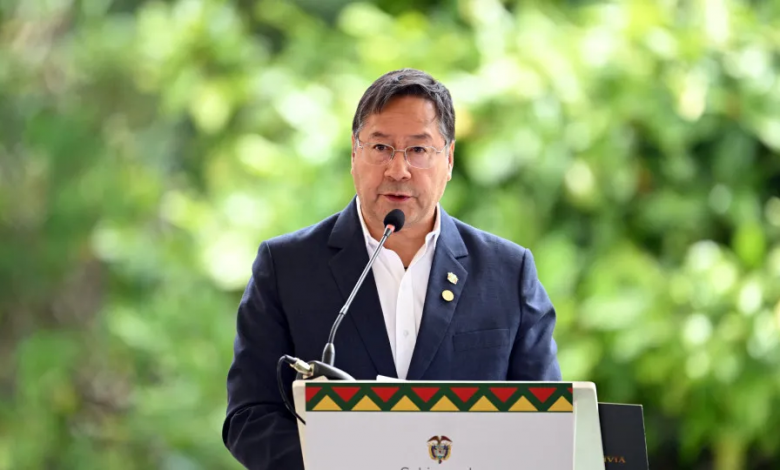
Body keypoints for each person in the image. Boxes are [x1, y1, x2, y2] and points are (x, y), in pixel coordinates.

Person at [222, 68, 562, 470]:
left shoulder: (508, 273)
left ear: (449, 159)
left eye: (419, 149)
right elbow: (249, 419)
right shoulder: (286, 267)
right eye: (381, 147)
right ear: (354, 154)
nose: (398, 170)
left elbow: (546, 424)